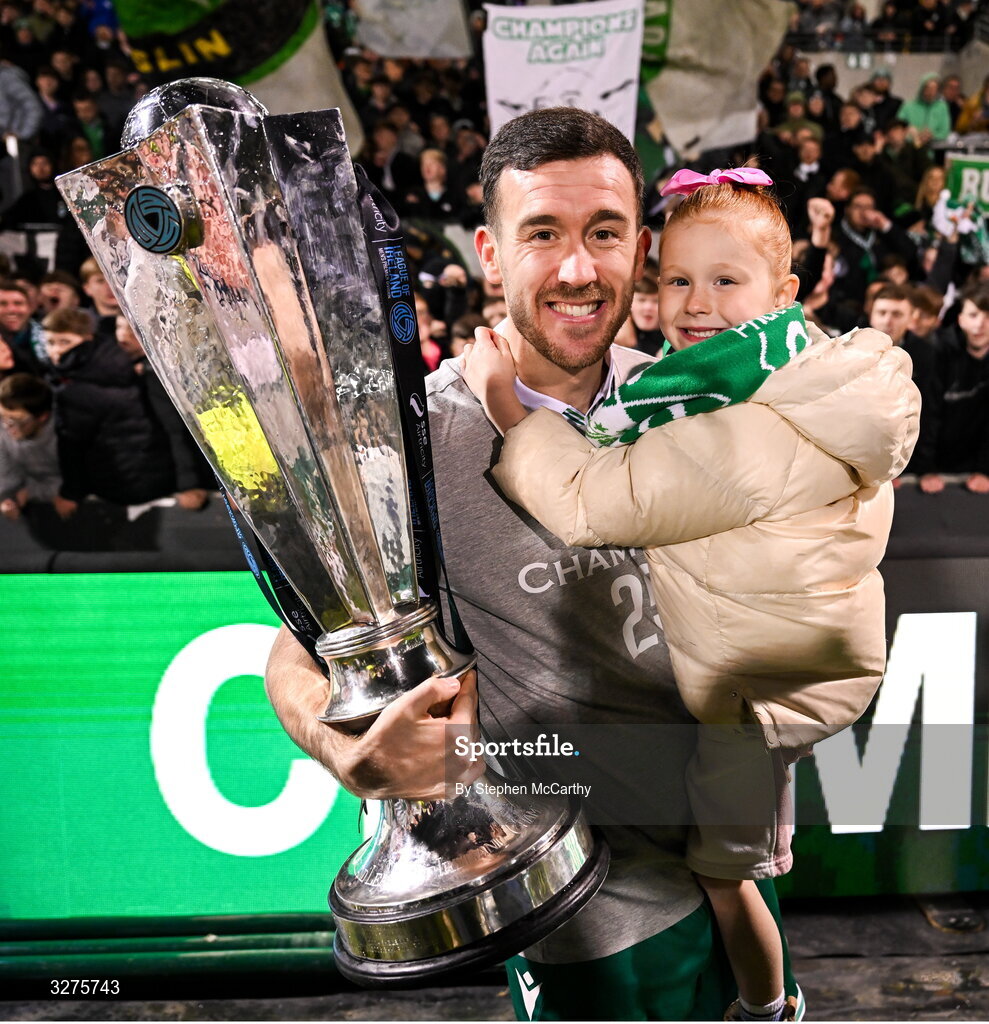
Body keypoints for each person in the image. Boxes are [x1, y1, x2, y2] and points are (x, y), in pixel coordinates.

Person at [267, 107, 815, 1022]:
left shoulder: (690, 396)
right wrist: (339, 744)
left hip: (729, 839)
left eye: (603, 233)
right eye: (541, 234)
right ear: (488, 252)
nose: (575, 268)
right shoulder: (408, 441)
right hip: (587, 889)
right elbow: (289, 642)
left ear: (641, 248)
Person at [462, 167, 918, 1021]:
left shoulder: (740, 418)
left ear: (784, 293)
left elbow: (595, 501)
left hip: (757, 692)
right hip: (755, 682)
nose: (695, 303)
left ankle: (770, 1008)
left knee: (723, 872)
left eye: (723, 281)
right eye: (676, 279)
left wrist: (509, 412)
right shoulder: (759, 377)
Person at [0, 370, 63, 519]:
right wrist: (7, 498)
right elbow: (6, 474)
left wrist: (30, 492)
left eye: (17, 421)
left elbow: (76, 483)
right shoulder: (3, 429)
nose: (8, 427)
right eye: (3, 417)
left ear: (42, 417)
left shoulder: (65, 437)